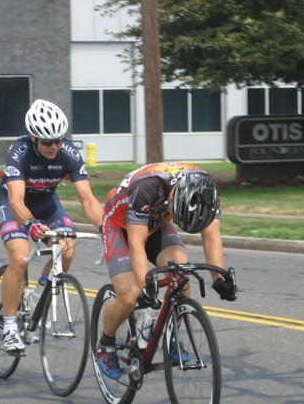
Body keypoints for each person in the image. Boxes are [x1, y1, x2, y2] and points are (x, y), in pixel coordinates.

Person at [95, 162, 238, 379]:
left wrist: (218, 277)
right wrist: (145, 285)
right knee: (130, 295)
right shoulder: (147, 187)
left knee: (181, 277)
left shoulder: (208, 191)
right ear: (171, 198)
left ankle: (172, 336)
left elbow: (211, 236)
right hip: (119, 225)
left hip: (156, 224)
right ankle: (105, 344)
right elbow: (136, 243)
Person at [0, 99, 104, 353]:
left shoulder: (68, 153)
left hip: (47, 204)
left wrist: (106, 228)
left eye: (58, 140)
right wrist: (30, 223)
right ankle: (9, 326)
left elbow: (88, 199)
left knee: (67, 250)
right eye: (47, 142)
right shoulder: (19, 152)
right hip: (15, 206)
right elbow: (16, 200)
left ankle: (38, 297)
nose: (54, 146)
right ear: (34, 137)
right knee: (20, 257)